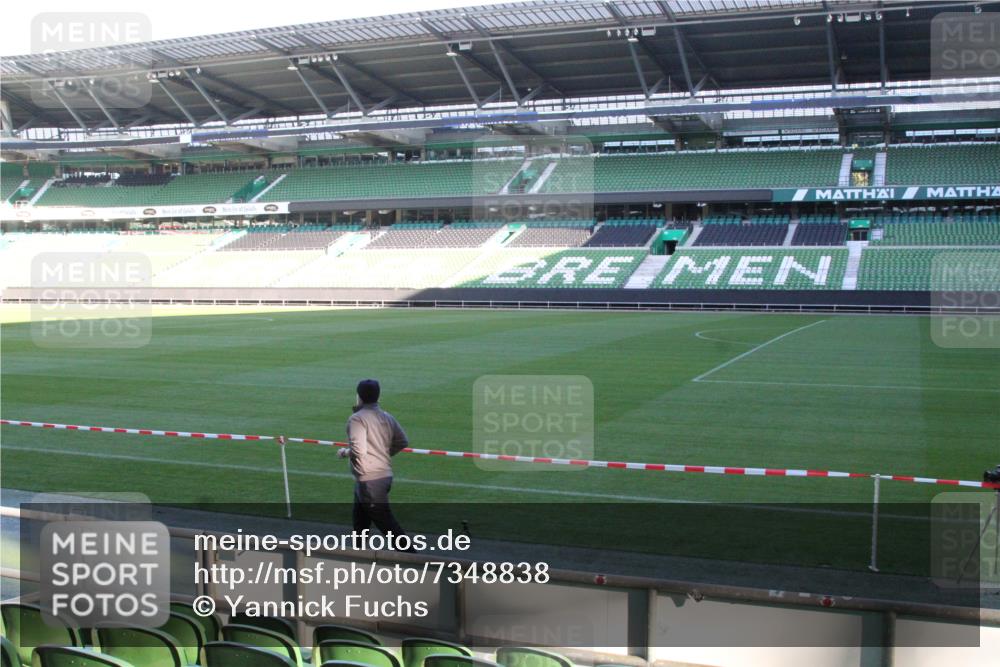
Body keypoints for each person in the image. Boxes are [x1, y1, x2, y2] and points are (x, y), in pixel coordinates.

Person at [340, 378, 410, 540]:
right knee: (360, 524)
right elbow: (402, 441)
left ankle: (412, 557)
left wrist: (344, 452)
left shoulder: (357, 419)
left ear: (359, 396)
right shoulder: (387, 417)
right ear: (378, 396)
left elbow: (358, 450)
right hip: (380, 476)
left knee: (387, 524)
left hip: (370, 480)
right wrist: (383, 455)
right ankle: (358, 556)